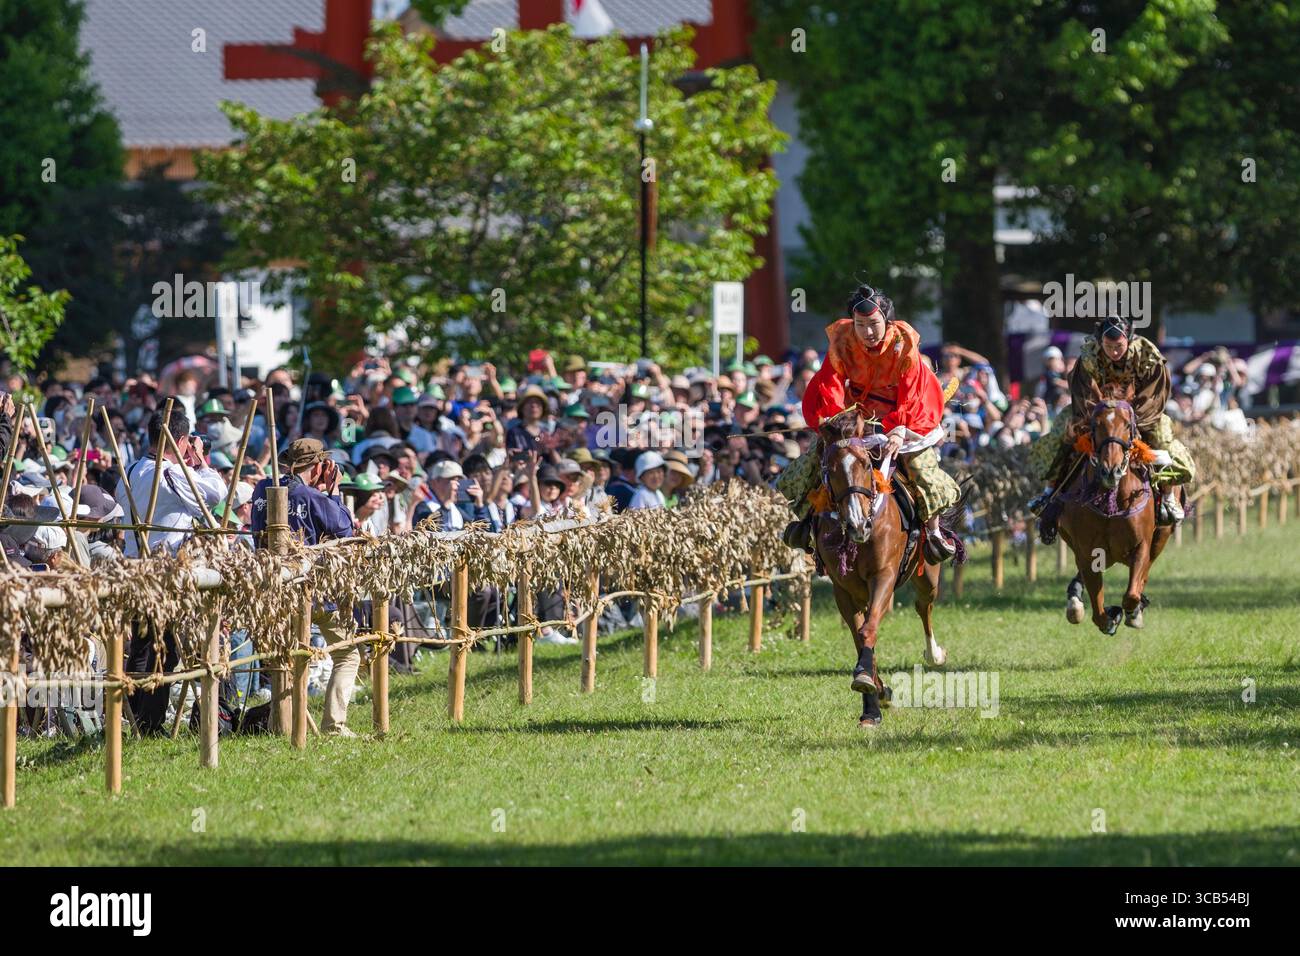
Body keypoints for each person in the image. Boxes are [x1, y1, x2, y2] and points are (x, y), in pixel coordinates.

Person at [780, 284, 961, 563]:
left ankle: (934, 532)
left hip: (900, 418)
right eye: (860, 324)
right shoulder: (842, 340)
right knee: (817, 460)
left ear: (886, 322)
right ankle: (805, 523)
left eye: (873, 324)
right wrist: (837, 420)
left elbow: (911, 390)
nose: (867, 331)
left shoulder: (904, 343)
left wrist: (900, 430)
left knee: (920, 466)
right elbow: (830, 382)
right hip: (855, 418)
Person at [1027, 314, 1196, 538]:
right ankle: (1049, 492)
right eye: (1108, 346)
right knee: (1062, 430)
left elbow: (1155, 393)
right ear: (1101, 342)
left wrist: (1132, 416)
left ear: (1129, 339)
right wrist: (1096, 413)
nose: (1114, 351)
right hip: (1096, 410)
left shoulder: (1147, 355)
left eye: (1118, 346)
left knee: (1163, 438)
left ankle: (1168, 497)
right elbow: (1082, 389)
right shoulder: (1090, 356)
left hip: (1140, 412)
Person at [250, 438, 359, 736]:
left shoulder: (262, 489)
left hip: (270, 589)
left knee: (285, 658)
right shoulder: (311, 496)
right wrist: (333, 493)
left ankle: (279, 726)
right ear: (321, 465)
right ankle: (334, 726)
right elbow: (344, 528)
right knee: (348, 654)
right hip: (310, 591)